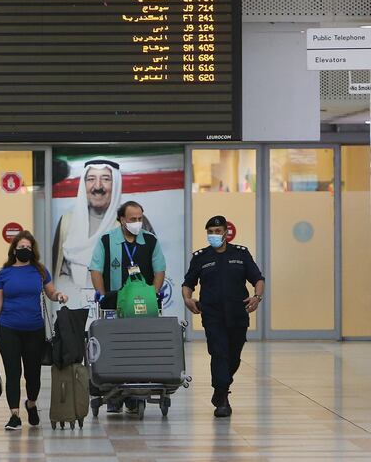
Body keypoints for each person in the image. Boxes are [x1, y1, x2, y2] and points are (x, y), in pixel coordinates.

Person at [0, 231, 68, 431]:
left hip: (34, 330)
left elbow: (51, 292)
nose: (24, 251)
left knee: (33, 374)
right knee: (13, 372)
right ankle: (14, 415)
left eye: (28, 248)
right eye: (21, 247)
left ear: (33, 250)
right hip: (8, 329)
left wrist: (59, 295)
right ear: (14, 249)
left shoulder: (40, 271)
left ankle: (31, 404)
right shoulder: (4, 273)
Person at [183, 215, 265, 418]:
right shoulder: (200, 257)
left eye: (217, 231)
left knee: (234, 357)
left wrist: (257, 297)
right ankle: (222, 398)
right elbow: (188, 283)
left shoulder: (241, 254)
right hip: (212, 314)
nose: (214, 235)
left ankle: (221, 388)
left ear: (226, 232)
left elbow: (258, 279)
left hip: (238, 313)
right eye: (210, 232)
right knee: (219, 353)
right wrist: (187, 299)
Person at [88, 200, 165, 413]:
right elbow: (95, 270)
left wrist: (153, 294)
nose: (137, 223)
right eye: (133, 219)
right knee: (114, 349)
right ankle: (114, 396)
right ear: (122, 219)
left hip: (143, 307)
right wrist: (103, 296)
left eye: (140, 218)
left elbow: (159, 270)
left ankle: (134, 396)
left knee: (139, 349)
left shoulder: (150, 242)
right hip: (114, 306)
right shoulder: (107, 241)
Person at [52, 159, 123, 307]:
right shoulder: (67, 222)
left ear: (115, 184)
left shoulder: (126, 223)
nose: (98, 187)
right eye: (91, 179)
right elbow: (57, 271)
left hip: (114, 307)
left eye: (106, 179)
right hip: (73, 307)